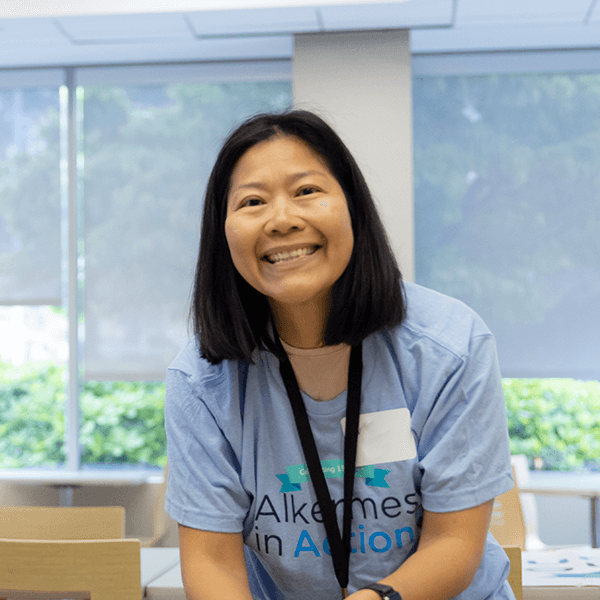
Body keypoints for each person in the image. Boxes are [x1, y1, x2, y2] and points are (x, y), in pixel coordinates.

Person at [165, 110, 516, 600]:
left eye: (306, 191)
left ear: (352, 206)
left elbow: (454, 542)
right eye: (252, 201)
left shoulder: (450, 347)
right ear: (223, 233)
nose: (282, 219)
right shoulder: (202, 382)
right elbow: (211, 561)